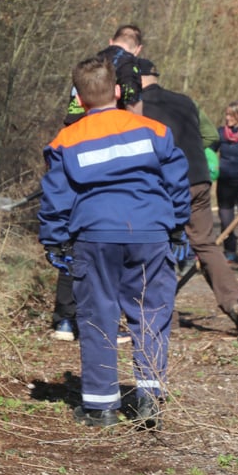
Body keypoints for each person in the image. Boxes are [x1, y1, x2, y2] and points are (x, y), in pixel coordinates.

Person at [38, 57, 190, 429]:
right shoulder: (154, 131)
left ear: (79, 99)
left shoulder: (66, 140)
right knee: (151, 313)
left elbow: (56, 196)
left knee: (97, 316)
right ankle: (149, 397)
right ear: (118, 91)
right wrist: (177, 228)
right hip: (150, 232)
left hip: (95, 235)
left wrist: (55, 241)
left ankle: (101, 405)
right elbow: (177, 182)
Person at [138, 58, 238, 332]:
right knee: (206, 244)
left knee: (158, 244)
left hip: (165, 183)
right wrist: (190, 151)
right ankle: (236, 304)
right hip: (199, 178)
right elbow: (211, 136)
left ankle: (164, 313)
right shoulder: (185, 102)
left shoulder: (137, 108)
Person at [52, 25, 146, 342]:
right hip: (109, 150)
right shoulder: (129, 67)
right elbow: (135, 114)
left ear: (110, 40)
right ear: (138, 49)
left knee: (73, 234)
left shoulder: (91, 64)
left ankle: (65, 319)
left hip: (73, 144)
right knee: (111, 236)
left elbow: (72, 110)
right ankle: (106, 321)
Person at [210, 101, 238, 264]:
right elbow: (209, 152)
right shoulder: (220, 133)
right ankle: (229, 251)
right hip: (225, 182)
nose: (227, 118)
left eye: (231, 115)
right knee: (226, 219)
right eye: (226, 114)